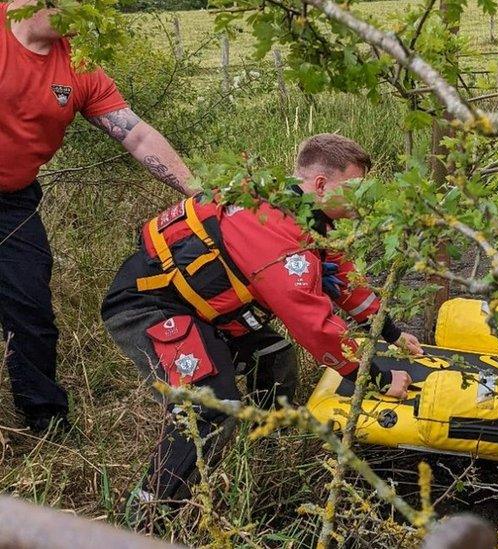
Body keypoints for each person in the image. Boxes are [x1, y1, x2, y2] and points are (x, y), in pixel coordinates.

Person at [101, 133, 422, 503]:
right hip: (150, 307)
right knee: (209, 406)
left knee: (274, 356)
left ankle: (266, 444)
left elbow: (343, 279)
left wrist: (392, 332)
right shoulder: (272, 227)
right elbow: (311, 322)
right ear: (320, 184)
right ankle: (149, 510)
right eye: (355, 187)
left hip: (205, 311)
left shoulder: (303, 214)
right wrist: (377, 377)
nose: (363, 198)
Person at [1, 0, 194, 432]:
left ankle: (44, 418)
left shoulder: (78, 65)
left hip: (11, 204)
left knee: (29, 305)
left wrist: (198, 191)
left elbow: (137, 134)